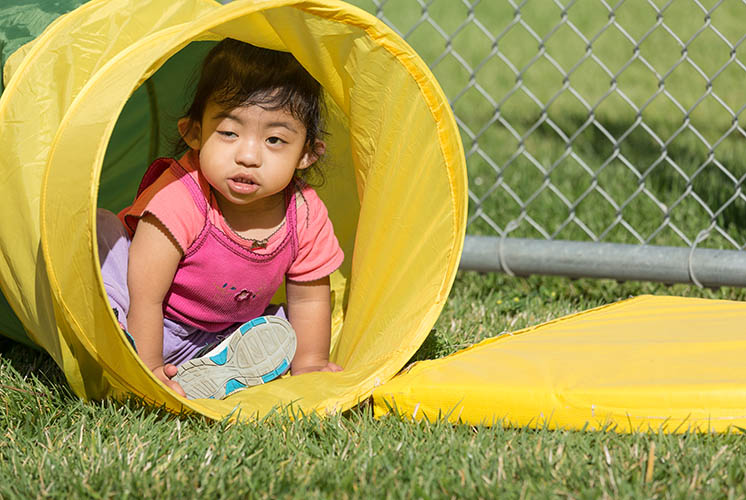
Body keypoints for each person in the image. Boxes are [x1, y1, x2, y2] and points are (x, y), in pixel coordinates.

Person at [96, 38, 344, 400]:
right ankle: (129, 350)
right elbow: (146, 295)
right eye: (229, 133)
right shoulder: (180, 196)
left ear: (307, 155)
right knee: (104, 240)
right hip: (151, 319)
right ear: (194, 133)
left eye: (274, 140)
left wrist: (310, 364)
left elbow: (308, 299)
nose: (248, 155)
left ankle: (212, 367)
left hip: (230, 331)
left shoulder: (304, 211)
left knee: (280, 332)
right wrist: (148, 372)